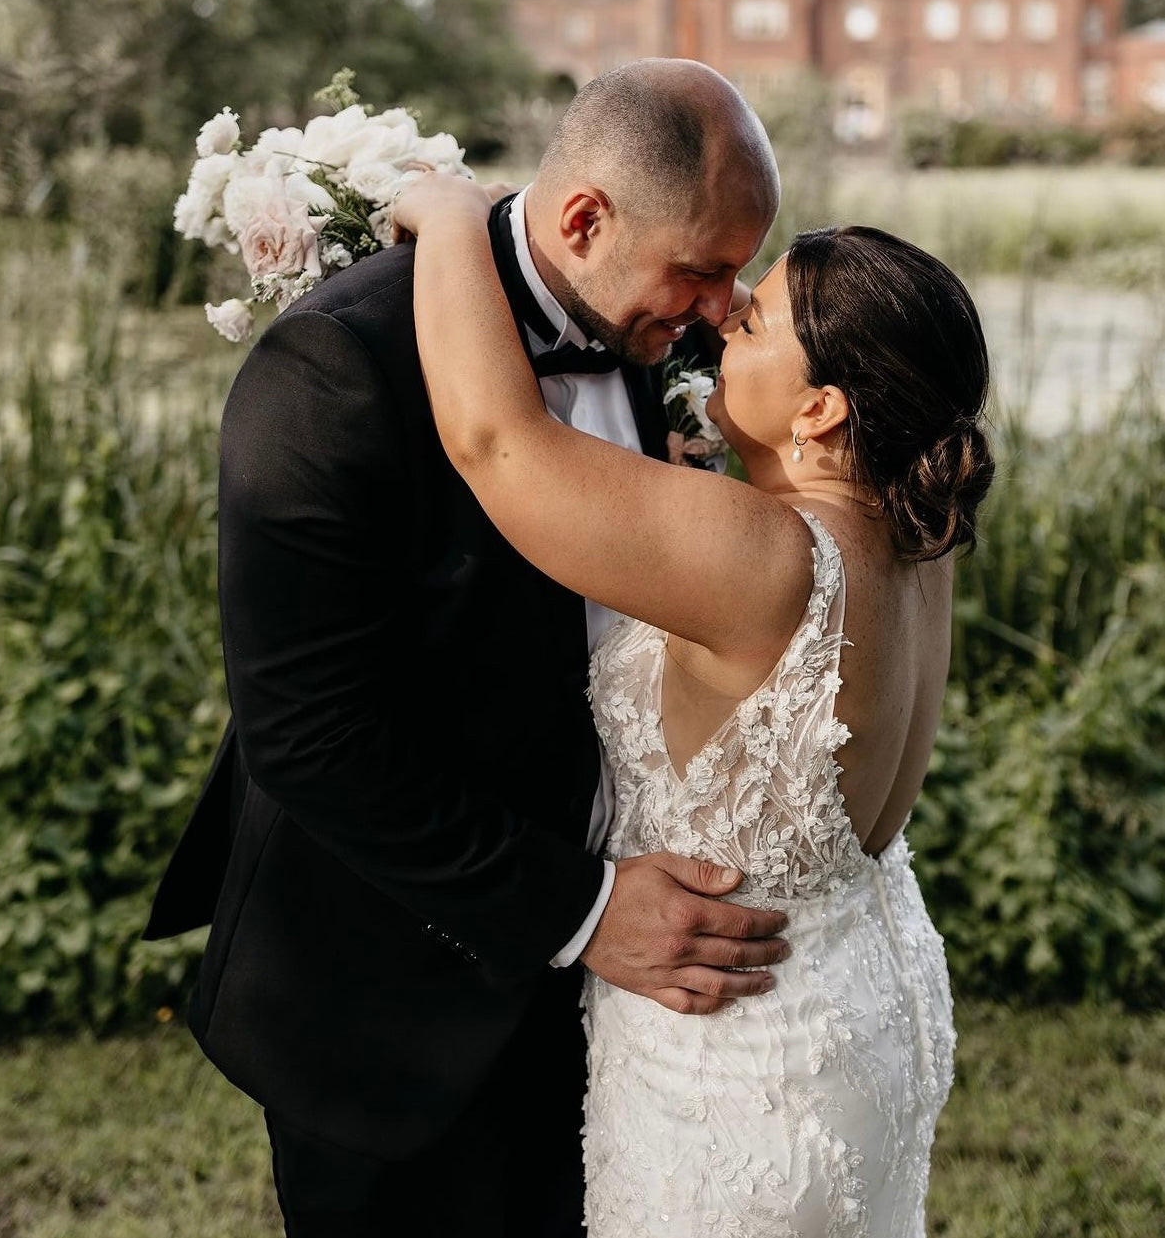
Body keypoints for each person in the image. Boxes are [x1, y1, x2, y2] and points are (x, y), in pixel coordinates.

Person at [143, 60, 791, 1237]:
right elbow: (308, 736)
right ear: (586, 218)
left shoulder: (670, 346)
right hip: (390, 999)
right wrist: (587, 910)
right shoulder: (337, 360)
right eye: (700, 267)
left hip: (616, 1025)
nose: (722, 304)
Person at [392, 168, 995, 1237]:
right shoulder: (915, 530)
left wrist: (448, 217)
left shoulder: (756, 555)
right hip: (864, 995)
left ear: (819, 407)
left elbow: (495, 441)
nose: (721, 316)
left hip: (738, 1053)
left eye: (754, 318)